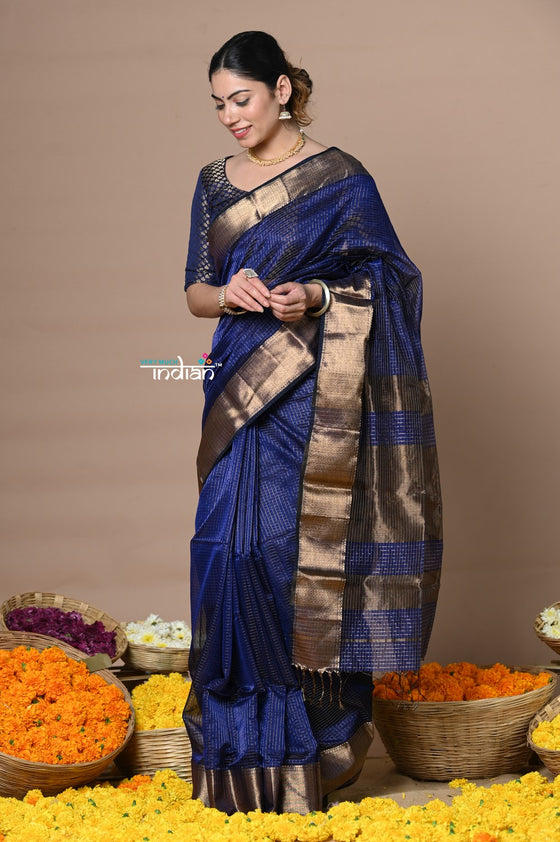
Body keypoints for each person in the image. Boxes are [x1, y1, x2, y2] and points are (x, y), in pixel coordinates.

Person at [183, 30, 442, 815]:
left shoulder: (342, 179)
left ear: (282, 90)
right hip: (236, 378)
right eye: (218, 104)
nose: (230, 116)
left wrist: (320, 296)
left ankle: (315, 742)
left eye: (241, 98)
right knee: (223, 550)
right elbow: (195, 290)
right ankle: (238, 749)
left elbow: (392, 280)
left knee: (286, 554)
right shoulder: (213, 182)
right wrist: (231, 293)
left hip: (311, 391)